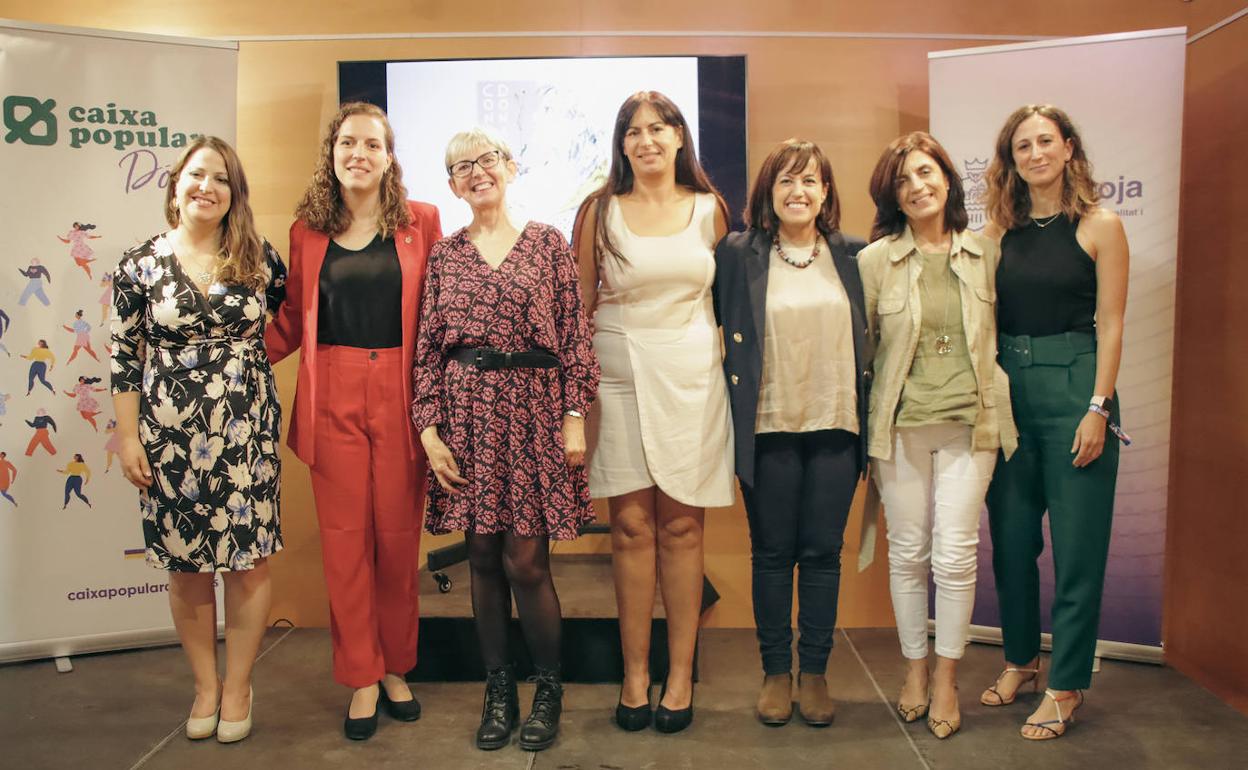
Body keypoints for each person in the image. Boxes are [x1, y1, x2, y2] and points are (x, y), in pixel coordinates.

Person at [413, 127, 598, 752]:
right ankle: (500, 690)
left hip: (535, 415)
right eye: (460, 166)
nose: (476, 172)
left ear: (511, 167)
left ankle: (549, 688)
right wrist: (429, 427)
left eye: (486, 160)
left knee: (526, 561)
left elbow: (574, 336)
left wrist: (575, 414)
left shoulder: (548, 244)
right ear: (451, 185)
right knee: (484, 560)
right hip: (467, 418)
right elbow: (428, 353)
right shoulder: (444, 255)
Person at [265, 101, 440, 741]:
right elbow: (290, 316)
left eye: (371, 143)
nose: (358, 153)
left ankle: (396, 666)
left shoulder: (422, 222)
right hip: (332, 392)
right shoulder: (306, 230)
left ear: (390, 156)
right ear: (332, 154)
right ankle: (362, 676)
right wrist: (228, 354)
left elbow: (440, 316)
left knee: (396, 543)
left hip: (399, 391)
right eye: (347, 143)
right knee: (344, 545)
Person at [111, 135, 286, 744]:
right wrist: (128, 436)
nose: (206, 187)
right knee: (186, 567)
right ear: (175, 184)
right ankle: (205, 686)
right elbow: (123, 359)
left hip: (245, 430)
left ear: (234, 194)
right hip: (168, 435)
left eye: (220, 179)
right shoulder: (139, 265)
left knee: (247, 561)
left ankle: (238, 687)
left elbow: (284, 318)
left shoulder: (260, 258)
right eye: (195, 175)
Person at [575, 91, 732, 734]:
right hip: (618, 376)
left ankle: (681, 674)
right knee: (631, 528)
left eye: (658, 128)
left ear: (678, 138)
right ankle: (634, 674)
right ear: (622, 145)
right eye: (633, 132)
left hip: (693, 379)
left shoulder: (710, 210)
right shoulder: (598, 212)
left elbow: (732, 307)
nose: (645, 140)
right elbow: (578, 309)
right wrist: (572, 408)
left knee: (683, 530)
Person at [858, 131, 1016, 740]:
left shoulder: (986, 252)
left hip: (970, 424)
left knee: (954, 553)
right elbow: (866, 349)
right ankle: (915, 670)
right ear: (893, 196)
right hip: (898, 427)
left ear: (947, 178)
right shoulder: (875, 261)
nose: (917, 186)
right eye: (903, 180)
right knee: (908, 551)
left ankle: (947, 677)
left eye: (926, 173)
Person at [979, 105, 1129, 741]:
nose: (1035, 153)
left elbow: (1113, 322)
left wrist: (1098, 407)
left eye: (1046, 141)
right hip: (1009, 393)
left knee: (1077, 550)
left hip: (1077, 390)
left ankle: (1067, 685)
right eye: (1022, 146)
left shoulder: (1100, 225)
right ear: (1010, 160)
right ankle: (1022, 661)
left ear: (1069, 148)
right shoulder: (996, 233)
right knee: (1011, 542)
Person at [712, 139, 868, 727]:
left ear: (826, 191)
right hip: (768, 425)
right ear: (768, 193)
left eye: (810, 181)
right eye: (785, 181)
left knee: (823, 554)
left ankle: (816, 674)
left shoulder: (855, 254)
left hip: (838, 425)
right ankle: (776, 673)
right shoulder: (737, 253)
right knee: (773, 554)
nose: (798, 191)